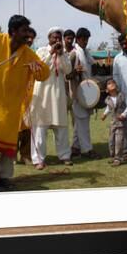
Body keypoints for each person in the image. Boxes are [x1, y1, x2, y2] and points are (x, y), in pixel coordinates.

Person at [0, 15, 50, 191]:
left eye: (29, 31)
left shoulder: (27, 53)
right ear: (12, 31)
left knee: (8, 147)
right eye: (24, 31)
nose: (28, 36)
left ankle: (4, 179)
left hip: (10, 108)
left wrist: (38, 69)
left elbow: (44, 74)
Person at [30, 27, 73, 169]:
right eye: (54, 37)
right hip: (42, 95)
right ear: (49, 38)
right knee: (40, 128)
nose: (56, 40)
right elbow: (40, 66)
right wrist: (51, 52)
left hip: (58, 94)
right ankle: (38, 159)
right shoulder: (41, 51)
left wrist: (60, 55)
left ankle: (65, 155)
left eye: (58, 38)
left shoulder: (64, 53)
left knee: (61, 127)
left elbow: (68, 70)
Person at [68, 27, 101, 159]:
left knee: (81, 121)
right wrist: (75, 71)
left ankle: (75, 147)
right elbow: (67, 76)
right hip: (78, 92)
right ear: (78, 39)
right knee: (83, 122)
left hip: (87, 91)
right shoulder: (74, 54)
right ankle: (86, 150)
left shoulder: (86, 53)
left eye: (87, 39)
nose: (85, 41)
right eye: (83, 39)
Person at [16, 27, 38, 165]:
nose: (29, 40)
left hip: (29, 96)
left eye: (32, 38)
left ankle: (25, 155)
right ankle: (10, 155)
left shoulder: (33, 54)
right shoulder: (13, 52)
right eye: (27, 37)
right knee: (13, 128)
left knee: (27, 126)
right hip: (13, 96)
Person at [101, 79, 127, 166]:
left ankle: (118, 158)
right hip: (113, 122)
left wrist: (124, 114)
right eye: (109, 84)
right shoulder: (108, 99)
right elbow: (109, 108)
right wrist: (104, 114)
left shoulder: (122, 96)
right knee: (111, 140)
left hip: (121, 122)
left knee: (119, 140)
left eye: (113, 83)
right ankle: (113, 156)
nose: (111, 84)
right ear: (107, 89)